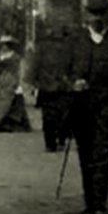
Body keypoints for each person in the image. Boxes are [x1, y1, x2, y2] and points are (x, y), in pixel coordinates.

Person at [63, 0, 108, 214]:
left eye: (101, 13)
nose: (97, 18)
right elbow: (63, 72)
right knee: (86, 155)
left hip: (107, 106)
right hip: (82, 108)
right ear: (86, 14)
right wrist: (73, 84)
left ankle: (100, 206)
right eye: (93, 13)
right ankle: (90, 203)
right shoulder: (75, 40)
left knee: (102, 155)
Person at [28, 22, 72, 152]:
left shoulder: (42, 48)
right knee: (63, 115)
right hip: (63, 87)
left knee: (48, 116)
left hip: (47, 87)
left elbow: (34, 67)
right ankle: (61, 139)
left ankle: (50, 142)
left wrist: (33, 82)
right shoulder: (69, 48)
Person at [0, 35, 31, 133]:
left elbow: (19, 70)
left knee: (6, 102)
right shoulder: (9, 56)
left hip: (11, 80)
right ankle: (20, 122)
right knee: (14, 101)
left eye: (6, 45)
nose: (4, 47)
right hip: (7, 80)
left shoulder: (12, 57)